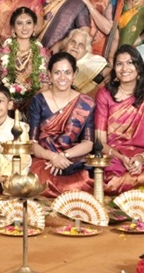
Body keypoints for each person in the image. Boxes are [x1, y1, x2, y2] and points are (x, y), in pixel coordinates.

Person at [94, 45, 144, 194]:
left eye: (130, 63)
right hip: (113, 154)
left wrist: (141, 158)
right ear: (114, 69)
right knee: (112, 181)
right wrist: (120, 157)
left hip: (143, 154)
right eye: (119, 64)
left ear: (139, 67)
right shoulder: (104, 95)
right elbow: (99, 142)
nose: (124, 68)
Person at [27, 52, 96, 197]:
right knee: (41, 182)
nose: (62, 77)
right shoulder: (38, 101)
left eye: (67, 72)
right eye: (57, 72)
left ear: (74, 74)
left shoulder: (86, 103)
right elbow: (32, 143)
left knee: (83, 182)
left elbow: (88, 143)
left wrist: (64, 156)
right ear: (49, 75)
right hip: (45, 158)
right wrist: (53, 157)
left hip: (73, 158)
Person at [0, 7, 51, 112]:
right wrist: (7, 100)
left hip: (34, 103)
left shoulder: (42, 52)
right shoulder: (2, 51)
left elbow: (45, 84)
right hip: (6, 103)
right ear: (13, 27)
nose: (24, 28)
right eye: (19, 23)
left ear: (34, 26)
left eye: (28, 23)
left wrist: (32, 101)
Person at [65, 29, 109, 96]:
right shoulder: (57, 62)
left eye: (81, 45)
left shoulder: (94, 61)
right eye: (73, 42)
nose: (75, 46)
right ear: (66, 44)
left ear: (86, 50)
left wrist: (94, 92)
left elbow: (112, 74)